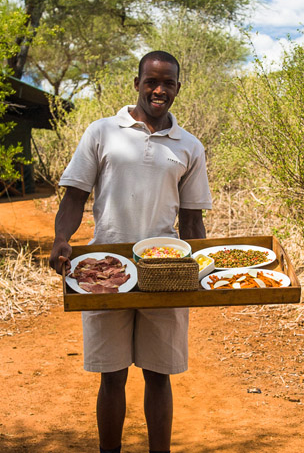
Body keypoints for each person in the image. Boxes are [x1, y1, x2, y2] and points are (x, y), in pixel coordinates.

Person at [49, 50, 212, 453]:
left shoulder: (189, 146)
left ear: (178, 87)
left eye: (168, 82)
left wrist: (205, 271)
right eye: (152, 81)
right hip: (106, 270)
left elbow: (192, 221)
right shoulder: (102, 132)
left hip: (166, 272)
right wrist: (61, 239)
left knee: (159, 375)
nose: (159, 90)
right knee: (112, 376)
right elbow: (74, 196)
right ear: (137, 82)